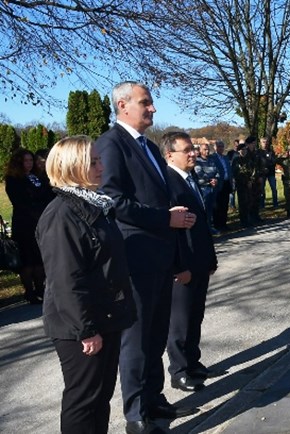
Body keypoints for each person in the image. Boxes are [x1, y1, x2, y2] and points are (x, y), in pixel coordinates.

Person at [95, 81, 197, 434]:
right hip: (135, 258)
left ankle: (154, 400)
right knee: (135, 341)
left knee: (155, 335)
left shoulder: (151, 148)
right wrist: (164, 218)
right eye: (146, 103)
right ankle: (136, 414)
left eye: (151, 103)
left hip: (160, 256)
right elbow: (113, 201)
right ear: (123, 105)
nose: (152, 109)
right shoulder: (110, 145)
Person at [36, 136, 136, 434]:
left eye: (99, 160)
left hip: (104, 317)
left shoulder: (94, 206)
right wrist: (87, 329)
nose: (101, 166)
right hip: (82, 326)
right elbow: (66, 279)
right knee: (83, 400)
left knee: (100, 397)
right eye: (92, 161)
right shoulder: (61, 215)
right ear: (72, 166)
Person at [161, 132, 218, 393]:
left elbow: (201, 225)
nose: (193, 154)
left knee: (195, 316)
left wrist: (209, 259)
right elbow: (169, 233)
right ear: (170, 155)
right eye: (187, 150)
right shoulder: (167, 183)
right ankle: (179, 370)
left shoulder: (190, 177)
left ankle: (193, 362)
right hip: (183, 266)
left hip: (199, 261)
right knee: (180, 321)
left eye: (193, 149)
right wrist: (178, 267)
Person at [4, 148, 54, 303]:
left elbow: (47, 194)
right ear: (18, 162)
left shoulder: (37, 177)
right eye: (26, 161)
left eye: (31, 160)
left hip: (41, 221)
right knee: (27, 260)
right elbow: (20, 202)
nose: (29, 163)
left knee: (40, 258)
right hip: (25, 224)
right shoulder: (13, 179)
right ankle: (30, 292)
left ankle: (41, 289)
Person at [193, 142, 220, 235]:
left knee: (210, 209)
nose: (207, 151)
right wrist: (210, 180)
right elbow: (199, 173)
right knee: (203, 210)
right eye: (205, 149)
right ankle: (204, 229)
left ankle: (210, 227)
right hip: (203, 188)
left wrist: (216, 178)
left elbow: (216, 171)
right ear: (200, 150)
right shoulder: (197, 161)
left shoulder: (211, 160)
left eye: (208, 149)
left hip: (212, 188)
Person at [231, 142, 255, 227]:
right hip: (241, 184)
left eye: (245, 149)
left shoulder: (248, 160)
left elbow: (253, 171)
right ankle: (243, 221)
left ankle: (248, 219)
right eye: (242, 150)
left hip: (249, 184)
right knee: (242, 203)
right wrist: (244, 181)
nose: (244, 151)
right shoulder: (236, 160)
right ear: (239, 151)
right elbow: (235, 173)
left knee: (249, 201)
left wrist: (250, 181)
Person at [212, 140, 233, 231]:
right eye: (218, 146)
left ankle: (224, 224)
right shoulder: (212, 157)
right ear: (214, 147)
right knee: (217, 206)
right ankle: (217, 225)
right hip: (218, 184)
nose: (220, 148)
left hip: (227, 183)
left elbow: (229, 170)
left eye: (222, 146)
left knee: (225, 205)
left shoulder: (225, 158)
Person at [259, 137, 278, 208]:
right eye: (263, 142)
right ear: (260, 143)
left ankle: (275, 204)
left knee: (274, 189)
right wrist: (263, 168)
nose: (265, 143)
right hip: (262, 174)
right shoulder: (258, 152)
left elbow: (273, 161)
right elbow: (257, 163)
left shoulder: (271, 152)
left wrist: (268, 166)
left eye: (266, 142)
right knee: (261, 190)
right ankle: (262, 205)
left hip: (271, 173)